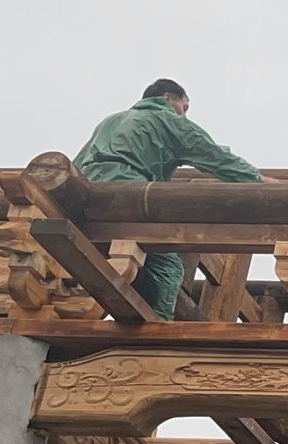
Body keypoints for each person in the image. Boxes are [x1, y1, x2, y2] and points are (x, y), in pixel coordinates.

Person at [73, 79, 269, 319]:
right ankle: (157, 329)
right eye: (184, 107)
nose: (184, 115)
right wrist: (256, 179)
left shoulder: (111, 120)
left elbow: (77, 164)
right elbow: (214, 156)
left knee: (102, 258)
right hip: (129, 193)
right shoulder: (167, 120)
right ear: (167, 98)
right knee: (167, 266)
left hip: (90, 195)